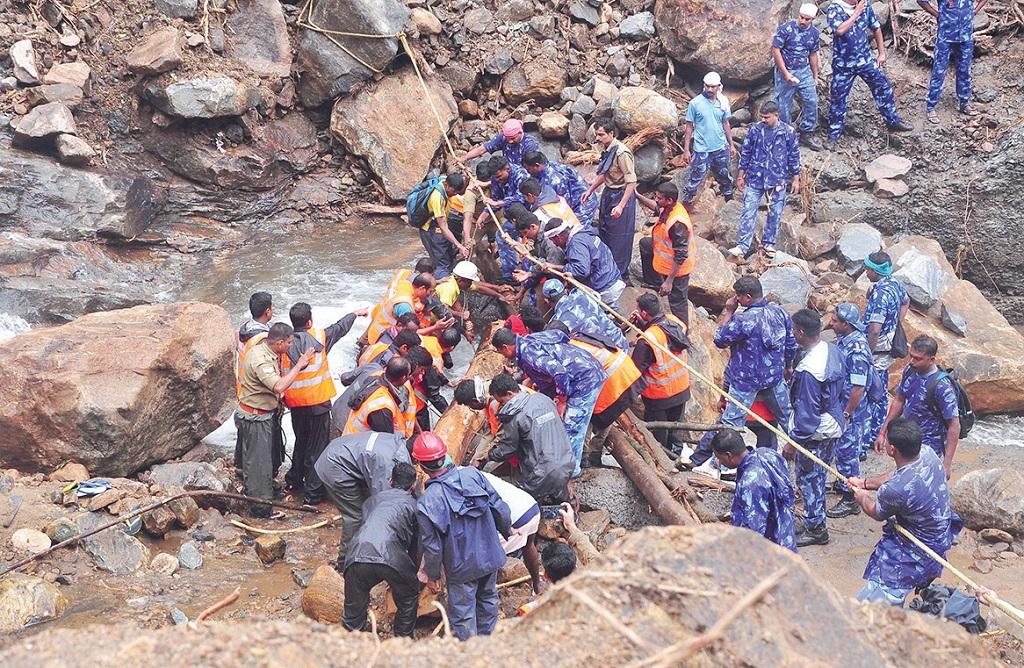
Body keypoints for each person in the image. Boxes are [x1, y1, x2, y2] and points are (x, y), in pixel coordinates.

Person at [682, 278, 795, 473]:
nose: (736, 299)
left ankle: (725, 468)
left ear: (747, 298)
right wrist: (788, 367)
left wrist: (728, 311)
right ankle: (802, 454)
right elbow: (791, 344)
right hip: (774, 379)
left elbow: (719, 339)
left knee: (730, 425)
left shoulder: (743, 320)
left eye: (739, 296)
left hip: (745, 382)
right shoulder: (780, 313)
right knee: (788, 421)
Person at [850, 417, 962, 606]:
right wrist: (865, 483)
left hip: (918, 549)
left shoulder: (894, 490)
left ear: (892, 449)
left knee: (871, 604)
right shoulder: (927, 453)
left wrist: (861, 496)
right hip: (940, 535)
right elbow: (897, 475)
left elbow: (876, 511)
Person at [413, 432, 512, 641]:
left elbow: (432, 547)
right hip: (490, 556)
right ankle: (489, 649)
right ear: (445, 455)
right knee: (488, 602)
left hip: (461, 567)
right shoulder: (473, 475)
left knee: (463, 616)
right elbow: (499, 507)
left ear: (421, 465)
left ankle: (470, 657)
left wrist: (432, 575)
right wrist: (507, 530)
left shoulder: (427, 502)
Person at [492, 327, 606, 477]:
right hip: (585, 367)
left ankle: (571, 471)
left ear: (505, 347)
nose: (505, 356)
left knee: (572, 427)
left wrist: (562, 400)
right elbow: (559, 334)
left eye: (502, 353)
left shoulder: (528, 352)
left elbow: (560, 372)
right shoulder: (529, 339)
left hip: (585, 379)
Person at [281, 302, 365, 505]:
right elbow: (340, 327)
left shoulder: (284, 344)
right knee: (318, 448)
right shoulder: (320, 337)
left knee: (301, 441)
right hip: (318, 404)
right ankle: (313, 493)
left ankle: (294, 481)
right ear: (309, 322)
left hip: (294, 404)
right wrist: (355, 313)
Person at [236, 322, 314, 517]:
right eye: (288, 343)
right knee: (259, 463)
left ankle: (261, 490)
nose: (290, 346)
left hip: (263, 414)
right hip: (256, 418)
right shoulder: (261, 360)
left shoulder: (266, 351)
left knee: (263, 458)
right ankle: (261, 508)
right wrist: (299, 365)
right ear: (279, 343)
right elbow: (278, 386)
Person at [784, 309, 846, 548]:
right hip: (832, 423)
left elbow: (807, 415)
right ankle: (813, 519)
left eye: (793, 330)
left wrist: (792, 443)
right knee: (819, 475)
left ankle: (816, 528)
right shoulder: (831, 350)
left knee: (809, 478)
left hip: (816, 431)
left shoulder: (810, 370)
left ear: (800, 332)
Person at [339, 461, 421, 637]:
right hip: (391, 557)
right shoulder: (414, 506)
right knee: (409, 595)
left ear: (391, 481)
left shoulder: (371, 501)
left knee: (353, 612)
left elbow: (369, 528)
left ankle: (350, 646)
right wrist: (413, 576)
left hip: (356, 555)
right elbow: (416, 548)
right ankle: (402, 641)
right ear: (413, 485)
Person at [314, 430, 413, 569]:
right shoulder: (387, 463)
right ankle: (345, 564)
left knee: (367, 508)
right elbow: (385, 503)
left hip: (339, 452)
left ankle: (361, 551)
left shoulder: (397, 442)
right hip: (335, 466)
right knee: (355, 516)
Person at [825, 0, 913, 149]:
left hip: (865, 60)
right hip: (843, 64)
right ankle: (833, 135)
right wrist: (856, 13)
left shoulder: (864, 6)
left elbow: (876, 27)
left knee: (883, 87)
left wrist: (881, 53)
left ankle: (892, 122)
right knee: (838, 99)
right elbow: (840, 30)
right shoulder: (835, 8)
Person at [480, 372, 575, 503]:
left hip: (540, 475)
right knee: (559, 491)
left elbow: (507, 450)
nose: (501, 406)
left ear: (510, 393)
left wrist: (488, 456)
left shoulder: (514, 416)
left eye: (501, 401)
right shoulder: (543, 399)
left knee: (524, 499)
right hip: (567, 463)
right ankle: (568, 507)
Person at [876, 335, 961, 479]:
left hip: (929, 444)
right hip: (908, 438)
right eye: (911, 356)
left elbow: (954, 425)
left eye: (918, 359)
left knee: (919, 480)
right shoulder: (910, 370)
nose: (912, 361)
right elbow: (899, 400)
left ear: (931, 359)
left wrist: (946, 464)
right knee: (905, 475)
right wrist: (883, 432)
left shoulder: (941, 387)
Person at [732, 101, 801, 260]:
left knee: (775, 213)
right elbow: (746, 152)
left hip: (777, 179)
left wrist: (796, 179)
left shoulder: (788, 132)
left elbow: (794, 157)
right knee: (748, 210)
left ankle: (769, 244)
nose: (763, 120)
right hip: (755, 177)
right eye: (761, 116)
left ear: (776, 115)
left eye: (767, 117)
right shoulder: (755, 130)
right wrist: (741, 175)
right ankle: (742, 246)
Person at [827, 303, 877, 519]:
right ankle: (843, 483)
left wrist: (846, 414)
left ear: (846, 324)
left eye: (835, 321)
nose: (831, 323)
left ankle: (851, 499)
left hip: (851, 409)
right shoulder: (845, 340)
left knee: (847, 452)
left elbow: (858, 387)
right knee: (841, 449)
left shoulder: (856, 349)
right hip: (841, 405)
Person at [711, 429, 797, 551]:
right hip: (785, 533)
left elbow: (754, 529)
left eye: (719, 458)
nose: (718, 462)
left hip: (771, 550)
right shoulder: (768, 453)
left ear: (729, 455)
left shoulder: (750, 484)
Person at [629, 293, 691, 456]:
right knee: (676, 428)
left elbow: (635, 369)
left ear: (643, 312)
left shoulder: (647, 340)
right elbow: (666, 335)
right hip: (682, 388)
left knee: (658, 434)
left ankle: (661, 460)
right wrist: (645, 325)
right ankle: (677, 456)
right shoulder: (676, 321)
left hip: (659, 395)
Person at [863, 251, 910, 457]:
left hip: (879, 348)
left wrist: (867, 352)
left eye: (867, 268)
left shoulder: (881, 294)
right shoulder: (894, 284)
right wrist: (897, 323)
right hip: (888, 343)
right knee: (879, 388)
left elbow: (874, 328)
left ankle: (869, 436)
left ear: (875, 271)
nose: (865, 272)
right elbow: (906, 301)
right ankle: (876, 432)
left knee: (872, 391)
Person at [582, 118, 637, 278]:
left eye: (601, 135)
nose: (597, 138)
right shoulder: (607, 149)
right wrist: (591, 189)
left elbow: (631, 181)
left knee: (619, 236)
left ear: (611, 134)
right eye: (596, 135)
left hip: (621, 195)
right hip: (609, 192)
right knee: (605, 230)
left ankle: (619, 273)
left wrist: (621, 206)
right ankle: (606, 267)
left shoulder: (622, 153)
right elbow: (606, 173)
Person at [636, 182, 695, 325]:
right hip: (662, 252)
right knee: (645, 244)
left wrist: (669, 281)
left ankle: (681, 335)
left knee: (677, 302)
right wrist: (637, 196)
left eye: (659, 198)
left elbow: (681, 254)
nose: (657, 200)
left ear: (669, 200)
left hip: (678, 269)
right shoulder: (667, 207)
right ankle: (654, 284)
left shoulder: (677, 223)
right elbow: (655, 206)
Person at [919, 0, 985, 123]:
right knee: (939, 71)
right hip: (945, 37)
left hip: (966, 36)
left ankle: (964, 103)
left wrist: (975, 11)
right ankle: (931, 106)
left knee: (965, 70)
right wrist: (936, 14)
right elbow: (921, 1)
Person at [479, 470, 544, 594]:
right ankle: (537, 584)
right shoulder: (476, 473)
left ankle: (486, 594)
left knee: (485, 558)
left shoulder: (458, 484)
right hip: (530, 506)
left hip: (514, 518)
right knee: (528, 545)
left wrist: (506, 529)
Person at [680, 72, 736, 211]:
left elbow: (726, 123)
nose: (710, 90)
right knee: (695, 178)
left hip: (720, 147)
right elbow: (689, 127)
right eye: (707, 86)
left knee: (724, 175)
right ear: (703, 86)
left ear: (718, 86)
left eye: (713, 87)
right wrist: (686, 150)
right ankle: (686, 205)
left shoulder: (723, 102)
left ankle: (729, 201)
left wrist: (731, 144)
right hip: (701, 149)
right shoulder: (695, 103)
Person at [541, 217, 625, 308]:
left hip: (605, 287)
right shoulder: (584, 233)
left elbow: (581, 270)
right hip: (613, 277)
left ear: (558, 237)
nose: (554, 244)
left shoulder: (576, 244)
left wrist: (555, 267)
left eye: (553, 240)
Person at [772, 4, 824, 150]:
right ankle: (787, 135)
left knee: (811, 100)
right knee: (783, 104)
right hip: (786, 70)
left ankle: (807, 131)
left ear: (812, 19)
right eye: (801, 17)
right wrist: (785, 73)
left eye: (807, 19)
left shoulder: (813, 33)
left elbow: (813, 54)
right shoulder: (786, 29)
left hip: (804, 70)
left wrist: (815, 76)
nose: (803, 21)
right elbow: (776, 50)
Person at [235, 291, 273, 469]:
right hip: (257, 394)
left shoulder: (243, 329)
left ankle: (241, 466)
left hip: (243, 389)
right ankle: (257, 477)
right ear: (267, 311)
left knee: (245, 436)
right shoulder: (262, 339)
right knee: (259, 443)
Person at [543, 278, 629, 351]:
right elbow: (596, 294)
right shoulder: (581, 293)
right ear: (565, 290)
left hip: (608, 356)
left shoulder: (557, 323)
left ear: (546, 301)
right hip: (620, 342)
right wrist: (573, 279)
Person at [343, 357, 417, 437]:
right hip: (358, 445)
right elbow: (384, 440)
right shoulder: (382, 406)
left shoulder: (375, 376)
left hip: (351, 437)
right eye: (409, 374)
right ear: (403, 378)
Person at [522, 150, 598, 226]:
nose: (528, 172)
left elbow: (564, 204)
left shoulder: (555, 180)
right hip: (573, 200)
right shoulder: (545, 168)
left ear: (537, 165)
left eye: (529, 169)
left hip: (583, 202)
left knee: (576, 230)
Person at [417, 173, 469, 279]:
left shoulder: (445, 180)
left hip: (439, 227)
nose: (455, 194)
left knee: (449, 256)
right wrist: (459, 245)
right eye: (453, 191)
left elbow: (461, 192)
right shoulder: (437, 197)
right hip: (431, 230)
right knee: (442, 263)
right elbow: (443, 227)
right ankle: (440, 287)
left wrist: (467, 180)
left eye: (456, 192)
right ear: (447, 185)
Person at [363, 272, 436, 346]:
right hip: (380, 339)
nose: (430, 294)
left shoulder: (405, 285)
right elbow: (409, 333)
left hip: (374, 330)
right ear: (422, 288)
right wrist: (434, 327)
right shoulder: (405, 306)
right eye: (430, 291)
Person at [488, 155, 531, 280]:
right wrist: (485, 214)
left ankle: (521, 273)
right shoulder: (496, 178)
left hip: (527, 215)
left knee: (525, 245)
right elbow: (495, 198)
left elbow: (522, 197)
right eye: (496, 177)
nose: (498, 180)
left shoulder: (520, 175)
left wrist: (499, 203)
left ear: (507, 169)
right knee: (503, 237)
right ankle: (511, 273)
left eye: (500, 176)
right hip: (512, 216)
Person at [460, 117, 540, 166]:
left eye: (513, 138)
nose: (510, 141)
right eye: (508, 138)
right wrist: (465, 158)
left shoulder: (530, 145)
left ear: (520, 132)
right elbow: (482, 149)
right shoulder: (504, 137)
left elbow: (530, 170)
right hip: (506, 170)